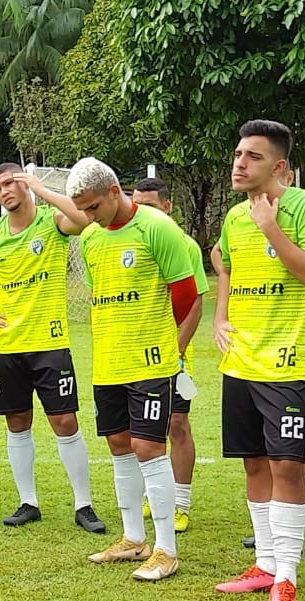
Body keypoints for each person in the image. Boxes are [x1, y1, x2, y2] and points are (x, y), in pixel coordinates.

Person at [213, 120, 305, 601]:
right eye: (238, 154)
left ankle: (286, 577)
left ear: (280, 166)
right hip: (241, 360)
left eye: (253, 157)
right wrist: (221, 316)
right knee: (253, 460)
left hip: (287, 360)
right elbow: (228, 272)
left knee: (288, 463)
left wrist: (270, 226)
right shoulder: (233, 217)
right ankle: (263, 562)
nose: (240, 164)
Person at [66, 158, 200, 580]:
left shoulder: (158, 228)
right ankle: (132, 538)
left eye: (92, 207)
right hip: (107, 361)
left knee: (148, 447)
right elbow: (101, 295)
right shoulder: (89, 239)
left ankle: (166, 549)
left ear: (112, 191)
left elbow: (186, 294)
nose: (88, 217)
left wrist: (165, 343)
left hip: (149, 360)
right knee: (119, 444)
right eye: (82, 210)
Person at [0, 165, 106, 532]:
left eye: (11, 183)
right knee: (17, 422)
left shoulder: (52, 222)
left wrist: (41, 189)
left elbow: (85, 219)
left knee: (64, 421)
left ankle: (84, 505)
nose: (5, 191)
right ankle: (28, 502)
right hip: (8, 347)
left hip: (50, 344)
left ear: (24, 184)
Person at [130, 177, 206, 532]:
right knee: (144, 430)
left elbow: (194, 303)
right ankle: (154, 495)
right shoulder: (129, 240)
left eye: (149, 204)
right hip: (135, 355)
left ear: (167, 206)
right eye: (137, 203)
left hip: (169, 354)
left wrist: (176, 348)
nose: (142, 211)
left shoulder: (182, 243)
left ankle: (180, 502)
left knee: (177, 424)